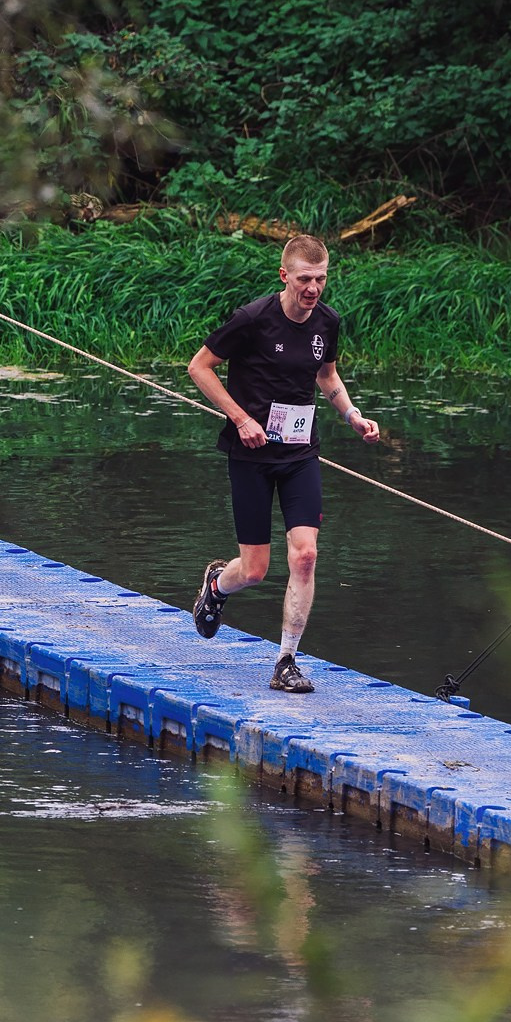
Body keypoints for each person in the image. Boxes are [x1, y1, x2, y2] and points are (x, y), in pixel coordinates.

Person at [186, 231, 380, 693]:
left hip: (299, 454)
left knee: (306, 555)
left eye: (321, 279)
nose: (313, 288)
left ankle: (286, 661)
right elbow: (199, 367)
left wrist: (352, 415)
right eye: (304, 279)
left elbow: (326, 375)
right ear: (284, 276)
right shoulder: (253, 318)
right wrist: (240, 419)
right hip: (251, 453)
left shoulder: (327, 322)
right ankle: (216, 585)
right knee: (254, 571)